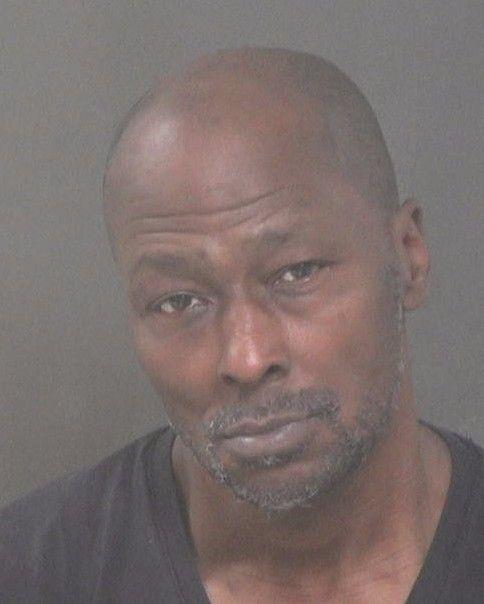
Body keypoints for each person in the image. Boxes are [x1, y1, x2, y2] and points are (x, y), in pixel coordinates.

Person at [0, 47, 482, 603]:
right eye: (180, 301)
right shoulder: (28, 575)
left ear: (409, 256)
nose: (247, 359)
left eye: (297, 272)